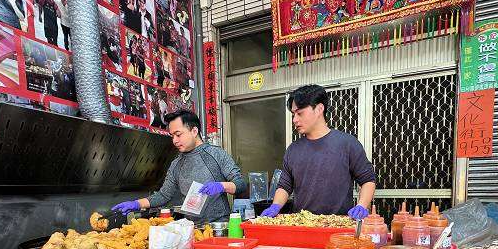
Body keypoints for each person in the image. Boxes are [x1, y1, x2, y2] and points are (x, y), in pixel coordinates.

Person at [261, 84, 376, 220]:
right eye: (293, 114)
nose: (294, 120)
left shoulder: (347, 143)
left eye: (299, 113)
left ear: (319, 109)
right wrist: (275, 206)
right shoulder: (293, 150)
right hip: (302, 225)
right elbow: (284, 186)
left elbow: (368, 180)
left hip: (338, 226)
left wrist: (362, 205)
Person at [112, 110, 246, 223]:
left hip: (220, 226)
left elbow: (240, 184)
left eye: (178, 134)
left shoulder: (216, 154)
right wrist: (136, 204)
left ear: (194, 131)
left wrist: (222, 186)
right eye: (172, 136)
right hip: (191, 228)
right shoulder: (176, 164)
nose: (174, 140)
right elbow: (163, 195)